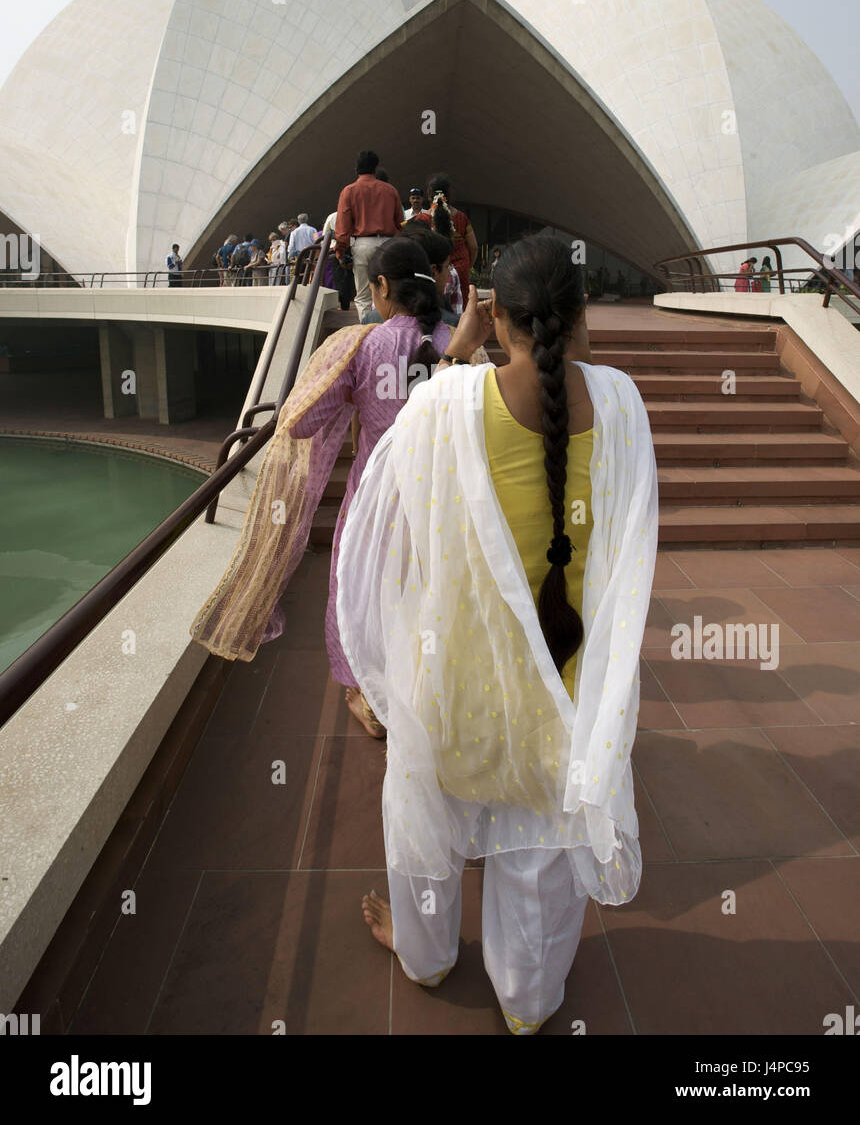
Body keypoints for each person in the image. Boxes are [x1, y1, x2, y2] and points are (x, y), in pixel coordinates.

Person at [337, 234, 658, 1034]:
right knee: (541, 854)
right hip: (566, 683)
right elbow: (629, 549)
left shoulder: (446, 405)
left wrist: (458, 353)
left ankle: (425, 956)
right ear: (581, 317)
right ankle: (525, 999)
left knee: (428, 819)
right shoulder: (618, 403)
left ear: (500, 317)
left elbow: (395, 520)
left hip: (458, 685)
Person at [190, 237, 456, 740]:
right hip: (439, 500)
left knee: (357, 589)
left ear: (381, 287)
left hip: (378, 495)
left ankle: (365, 697)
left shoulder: (361, 345)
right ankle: (424, 688)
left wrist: (336, 384)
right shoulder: (459, 346)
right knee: (424, 589)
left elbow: (301, 422)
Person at [334, 151, 403, 320]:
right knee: (390, 291)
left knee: (363, 295)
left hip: (363, 244)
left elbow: (343, 229)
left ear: (356, 168)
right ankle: (390, 327)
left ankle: (368, 331)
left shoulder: (349, 191)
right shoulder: (390, 190)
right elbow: (400, 224)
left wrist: (341, 252)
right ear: (375, 168)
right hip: (388, 245)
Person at [360, 223, 459, 327]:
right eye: (447, 266)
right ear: (433, 272)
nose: (448, 273)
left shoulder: (370, 319)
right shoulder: (453, 325)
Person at [421, 174, 478, 309]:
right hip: (461, 269)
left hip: (434, 272)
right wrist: (467, 267)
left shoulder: (423, 220)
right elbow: (474, 247)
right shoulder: (461, 218)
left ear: (429, 193)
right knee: (461, 307)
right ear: (449, 193)